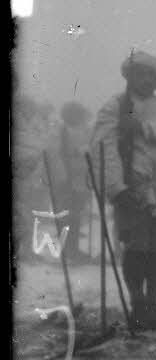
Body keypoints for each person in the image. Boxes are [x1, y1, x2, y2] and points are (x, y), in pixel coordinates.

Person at [91, 51, 156, 330]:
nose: (147, 79)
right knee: (137, 247)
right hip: (134, 189)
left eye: (152, 74)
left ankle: (153, 303)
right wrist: (117, 188)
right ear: (129, 76)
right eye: (141, 73)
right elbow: (105, 149)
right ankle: (138, 305)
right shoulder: (116, 106)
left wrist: (142, 127)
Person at [46, 101, 95, 263]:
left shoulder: (80, 131)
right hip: (66, 180)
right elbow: (56, 154)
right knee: (67, 215)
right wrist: (63, 177)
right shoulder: (61, 131)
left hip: (79, 180)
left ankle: (73, 249)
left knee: (76, 215)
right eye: (78, 114)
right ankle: (68, 250)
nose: (81, 117)